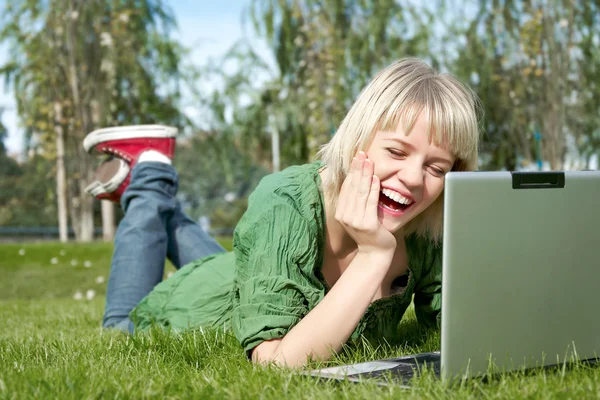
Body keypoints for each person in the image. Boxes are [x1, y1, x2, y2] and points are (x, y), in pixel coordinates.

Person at [83, 58, 480, 368]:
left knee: (242, 261)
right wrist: (374, 256)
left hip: (248, 274)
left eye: (436, 168)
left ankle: (159, 201)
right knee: (120, 321)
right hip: (187, 306)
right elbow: (277, 364)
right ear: (357, 138)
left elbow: (459, 327)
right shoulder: (284, 201)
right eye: (396, 151)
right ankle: (150, 174)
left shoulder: (429, 223)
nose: (413, 179)